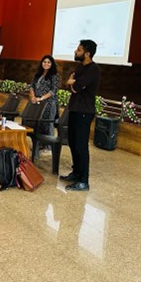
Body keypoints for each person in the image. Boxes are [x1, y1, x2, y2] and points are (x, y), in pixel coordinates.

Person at [60, 39, 100, 191]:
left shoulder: (93, 69)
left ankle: (84, 181)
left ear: (87, 53)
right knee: (72, 142)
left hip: (85, 111)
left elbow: (75, 85)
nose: (76, 52)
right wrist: (73, 82)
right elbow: (71, 85)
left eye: (79, 50)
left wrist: (73, 82)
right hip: (75, 108)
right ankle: (76, 173)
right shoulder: (79, 67)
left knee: (81, 146)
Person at [29, 55, 60, 136]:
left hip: (49, 103)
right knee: (38, 124)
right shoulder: (38, 74)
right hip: (37, 103)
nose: (46, 64)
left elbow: (53, 91)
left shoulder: (55, 75)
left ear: (52, 64)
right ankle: (38, 145)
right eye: (44, 62)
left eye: (49, 62)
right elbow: (31, 86)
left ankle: (48, 146)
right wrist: (33, 97)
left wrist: (41, 98)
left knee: (47, 125)